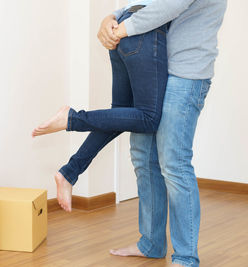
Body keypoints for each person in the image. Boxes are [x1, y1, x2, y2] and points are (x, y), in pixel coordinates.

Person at [100, 1, 228, 267]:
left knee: (173, 163)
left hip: (186, 73)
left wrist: (120, 30)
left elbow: (168, 6)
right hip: (156, 66)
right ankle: (151, 243)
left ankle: (185, 257)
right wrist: (111, 17)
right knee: (143, 157)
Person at [32, 0, 169, 213]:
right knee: (149, 117)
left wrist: (113, 20)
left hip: (124, 28)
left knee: (119, 114)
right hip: (144, 30)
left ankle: (69, 172)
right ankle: (72, 119)